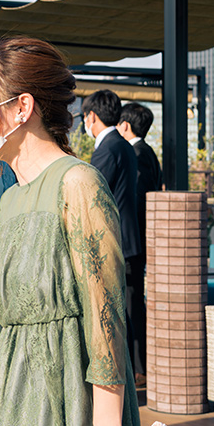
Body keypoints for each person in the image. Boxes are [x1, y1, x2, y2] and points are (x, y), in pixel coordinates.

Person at [0, 36, 141, 426]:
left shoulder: (77, 182)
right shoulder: (14, 194)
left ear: (22, 108)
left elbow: (106, 313)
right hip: (10, 388)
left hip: (66, 394)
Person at [83, 90, 143, 384]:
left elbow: (93, 192)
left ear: (91, 116)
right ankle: (135, 370)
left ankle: (126, 373)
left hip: (115, 240)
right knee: (131, 306)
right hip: (130, 238)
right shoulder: (124, 145)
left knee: (120, 308)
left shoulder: (106, 147)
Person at [117, 101, 161, 383]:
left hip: (134, 242)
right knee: (134, 303)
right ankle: (139, 366)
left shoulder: (137, 154)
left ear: (125, 125)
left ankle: (140, 367)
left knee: (133, 305)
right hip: (140, 241)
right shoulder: (148, 153)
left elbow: (136, 201)